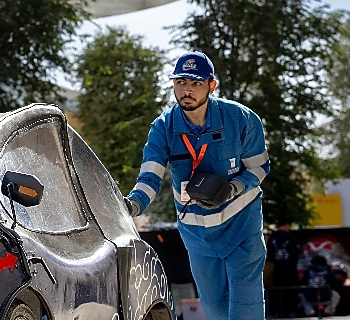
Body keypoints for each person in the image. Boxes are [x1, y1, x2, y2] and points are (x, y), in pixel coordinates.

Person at [124, 51, 270, 319]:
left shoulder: (242, 119)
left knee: (245, 309)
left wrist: (233, 188)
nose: (186, 91)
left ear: (211, 86)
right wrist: (132, 205)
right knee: (214, 310)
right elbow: (150, 177)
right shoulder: (163, 128)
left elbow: (259, 167)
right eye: (180, 82)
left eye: (195, 83)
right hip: (198, 235)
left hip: (242, 227)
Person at [267, 220, 300, 316]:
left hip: (278, 268)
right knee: (290, 291)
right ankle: (290, 311)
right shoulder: (290, 237)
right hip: (290, 269)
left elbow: (270, 253)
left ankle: (278, 312)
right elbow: (295, 253)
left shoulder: (273, 236)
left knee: (278, 291)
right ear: (287, 225)